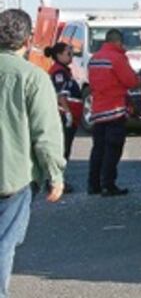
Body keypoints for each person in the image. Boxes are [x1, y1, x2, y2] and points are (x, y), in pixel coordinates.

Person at [0, 9, 66, 298]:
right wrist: (55, 175)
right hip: (11, 176)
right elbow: (46, 135)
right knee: (4, 242)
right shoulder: (32, 77)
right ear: (28, 41)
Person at [87, 28, 139, 196]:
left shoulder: (94, 58)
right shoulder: (117, 58)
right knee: (113, 148)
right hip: (114, 110)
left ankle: (93, 184)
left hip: (98, 110)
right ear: (117, 42)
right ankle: (108, 185)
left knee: (98, 149)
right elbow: (130, 81)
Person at [45, 42, 82, 192]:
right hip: (63, 115)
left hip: (68, 114)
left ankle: (56, 180)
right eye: (68, 53)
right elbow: (60, 94)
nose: (71, 56)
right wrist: (67, 113)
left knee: (64, 150)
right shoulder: (59, 72)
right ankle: (55, 182)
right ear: (59, 55)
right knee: (61, 150)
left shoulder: (64, 70)